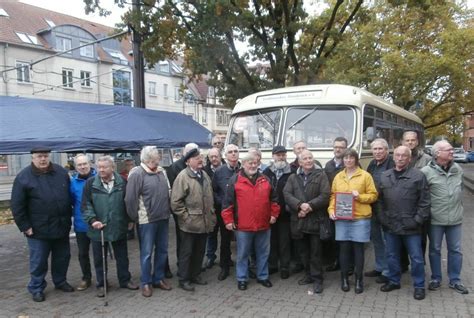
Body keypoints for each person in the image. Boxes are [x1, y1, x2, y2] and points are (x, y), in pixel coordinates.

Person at [11, 148, 75, 302]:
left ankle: (60, 281)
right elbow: (17, 205)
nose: (43, 159)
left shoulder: (60, 172)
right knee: (38, 261)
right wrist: (25, 226)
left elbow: (70, 195)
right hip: (37, 229)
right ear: (32, 157)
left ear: (49, 156)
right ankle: (37, 287)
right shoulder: (23, 177)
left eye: (45, 156)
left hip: (61, 225)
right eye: (39, 156)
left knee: (62, 257)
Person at [377, 146, 430, 300]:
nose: (400, 158)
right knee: (392, 255)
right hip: (390, 225)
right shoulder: (384, 176)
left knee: (417, 258)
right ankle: (394, 281)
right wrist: (383, 219)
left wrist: (417, 221)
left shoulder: (418, 176)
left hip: (411, 226)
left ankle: (419, 285)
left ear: (409, 159)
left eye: (403, 156)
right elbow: (379, 201)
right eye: (397, 155)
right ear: (393, 157)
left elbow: (425, 202)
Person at [82, 156, 139, 297]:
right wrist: (92, 220)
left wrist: (130, 219)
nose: (101, 169)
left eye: (104, 167)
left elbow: (128, 202)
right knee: (99, 259)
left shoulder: (123, 182)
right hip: (98, 229)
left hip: (118, 225)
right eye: (99, 167)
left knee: (122, 256)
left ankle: (125, 280)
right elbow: (85, 205)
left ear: (112, 168)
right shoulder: (90, 184)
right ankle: (102, 284)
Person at [222, 153, 280, 291]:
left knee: (263, 253)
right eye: (250, 163)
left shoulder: (265, 179)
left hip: (263, 224)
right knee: (242, 254)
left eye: (255, 163)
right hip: (243, 225)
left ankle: (263, 276)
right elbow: (227, 203)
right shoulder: (235, 180)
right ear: (244, 164)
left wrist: (274, 214)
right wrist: (228, 220)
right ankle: (242, 278)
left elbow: (275, 199)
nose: (253, 166)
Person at [421, 141, 469, 295]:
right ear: (437, 153)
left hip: (455, 218)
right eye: (448, 150)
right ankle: (436, 278)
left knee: (455, 250)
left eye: (451, 150)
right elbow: (422, 196)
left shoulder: (457, 169)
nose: (452, 152)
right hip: (435, 219)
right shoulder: (426, 172)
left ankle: (455, 280)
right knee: (435, 249)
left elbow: (460, 189)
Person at [328, 148, 378, 294]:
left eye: (351, 158)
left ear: (356, 160)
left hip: (360, 218)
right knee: (343, 250)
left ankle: (358, 280)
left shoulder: (365, 176)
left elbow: (373, 195)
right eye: (346, 158)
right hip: (342, 218)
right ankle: (344, 279)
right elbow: (333, 196)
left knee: (358, 250)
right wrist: (331, 210)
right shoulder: (338, 177)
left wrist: (360, 197)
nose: (348, 160)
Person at [125, 146, 172, 297]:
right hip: (146, 220)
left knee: (163, 250)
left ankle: (158, 278)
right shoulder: (137, 174)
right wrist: (134, 218)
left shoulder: (161, 171)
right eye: (158, 157)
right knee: (146, 253)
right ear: (149, 159)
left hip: (163, 218)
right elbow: (130, 199)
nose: (159, 159)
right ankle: (146, 282)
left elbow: (168, 192)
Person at [283, 150, 330, 293]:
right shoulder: (292, 177)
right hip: (298, 220)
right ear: (300, 162)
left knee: (316, 252)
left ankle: (317, 279)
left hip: (315, 219)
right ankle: (308, 275)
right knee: (303, 251)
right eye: (305, 159)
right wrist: (299, 205)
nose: (309, 160)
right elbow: (287, 194)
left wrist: (309, 206)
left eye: (310, 158)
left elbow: (325, 195)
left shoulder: (321, 175)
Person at [171, 148, 216, 292]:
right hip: (189, 224)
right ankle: (184, 279)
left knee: (199, 251)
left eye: (201, 157)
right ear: (188, 161)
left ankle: (195, 275)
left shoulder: (204, 174)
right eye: (197, 158)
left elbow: (210, 197)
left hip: (203, 222)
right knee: (187, 252)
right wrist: (186, 218)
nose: (200, 160)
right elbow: (175, 202)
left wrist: (212, 214)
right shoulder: (183, 177)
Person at [165, 142, 199, 278]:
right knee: (184, 242)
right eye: (193, 155)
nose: (197, 158)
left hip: (196, 213)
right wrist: (184, 214)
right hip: (184, 213)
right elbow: (176, 195)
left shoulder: (200, 171)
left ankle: (192, 268)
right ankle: (183, 269)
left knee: (194, 242)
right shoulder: (176, 168)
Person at [364, 139, 394, 284]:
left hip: (386, 208)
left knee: (387, 241)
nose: (377, 152)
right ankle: (379, 266)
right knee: (376, 240)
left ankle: (389, 271)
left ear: (386, 150)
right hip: (373, 207)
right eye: (375, 149)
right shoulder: (372, 164)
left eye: (380, 149)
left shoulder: (392, 163)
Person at [401, 130, 431, 270]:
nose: (410, 142)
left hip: (419, 205)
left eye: (413, 140)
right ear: (403, 142)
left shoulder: (426, 159)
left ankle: (418, 266)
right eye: (407, 140)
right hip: (403, 205)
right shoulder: (398, 156)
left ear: (417, 142)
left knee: (420, 239)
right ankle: (403, 265)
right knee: (401, 239)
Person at [263, 146, 293, 279]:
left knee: (284, 241)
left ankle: (285, 267)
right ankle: (272, 265)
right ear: (273, 156)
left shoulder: (292, 172)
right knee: (271, 240)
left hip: (285, 213)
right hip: (270, 213)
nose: (280, 157)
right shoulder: (267, 172)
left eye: (283, 155)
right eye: (278, 155)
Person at [212, 144, 241, 281]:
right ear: (225, 155)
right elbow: (214, 191)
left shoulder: (244, 169)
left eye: (236, 151)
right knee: (225, 240)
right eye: (230, 152)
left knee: (243, 240)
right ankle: (224, 266)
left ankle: (245, 265)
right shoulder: (219, 172)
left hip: (242, 212)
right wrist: (222, 202)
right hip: (225, 212)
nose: (233, 154)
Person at [70, 154, 96, 291]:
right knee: (83, 254)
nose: (83, 167)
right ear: (76, 167)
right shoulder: (72, 183)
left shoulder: (99, 177)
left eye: (85, 163)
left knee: (99, 253)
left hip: (98, 223)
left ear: (90, 164)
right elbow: (71, 202)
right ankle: (86, 278)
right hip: (81, 224)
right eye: (79, 165)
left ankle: (102, 279)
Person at [324, 137, 348, 272]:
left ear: (346, 149)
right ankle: (336, 261)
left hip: (346, 206)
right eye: (335, 147)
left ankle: (348, 264)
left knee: (346, 236)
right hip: (332, 205)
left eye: (341, 147)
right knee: (334, 236)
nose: (338, 149)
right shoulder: (328, 165)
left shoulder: (350, 163)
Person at [203, 147, 224, 269]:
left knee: (226, 234)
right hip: (211, 208)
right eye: (211, 157)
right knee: (212, 233)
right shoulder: (205, 171)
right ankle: (211, 256)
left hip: (224, 207)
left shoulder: (227, 168)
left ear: (220, 156)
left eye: (216, 156)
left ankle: (226, 257)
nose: (214, 159)